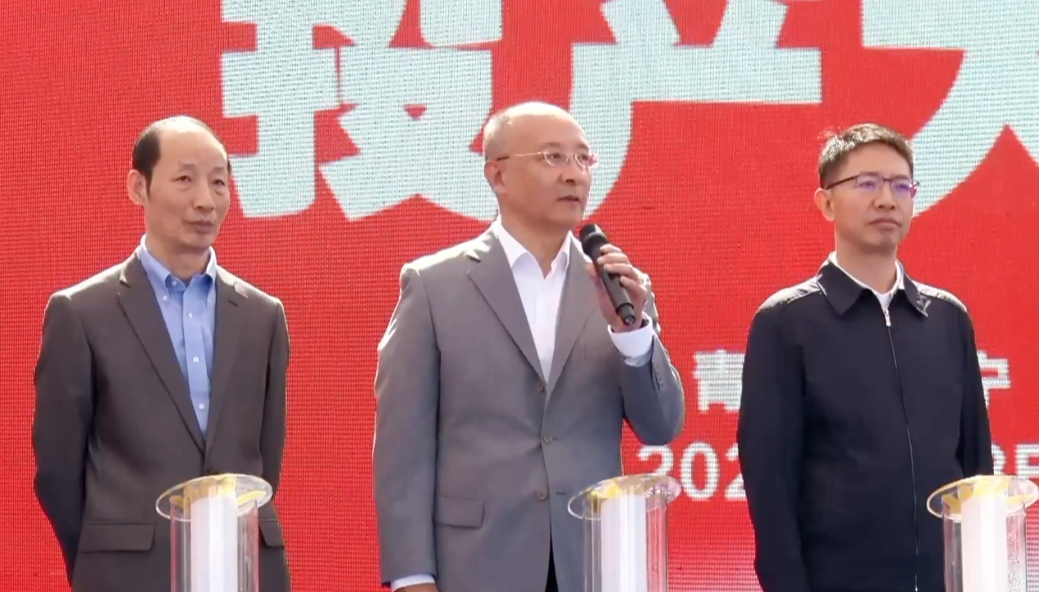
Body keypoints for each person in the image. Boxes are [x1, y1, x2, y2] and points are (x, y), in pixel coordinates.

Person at [371, 101, 686, 592]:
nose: (574, 174)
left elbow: (660, 426)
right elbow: (402, 450)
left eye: (583, 159)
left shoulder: (619, 288)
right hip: (477, 564)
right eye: (552, 157)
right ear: (497, 175)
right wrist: (412, 576)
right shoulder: (433, 286)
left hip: (591, 563)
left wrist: (633, 335)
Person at [32, 116, 291, 592]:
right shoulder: (82, 313)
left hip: (243, 571)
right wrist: (102, 553)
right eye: (185, 179)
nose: (205, 200)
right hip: (126, 574)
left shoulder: (263, 315)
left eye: (219, 182)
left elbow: (265, 460)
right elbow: (57, 470)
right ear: (139, 187)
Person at [737, 123, 994, 592]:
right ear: (826, 202)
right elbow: (770, 489)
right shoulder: (786, 322)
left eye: (901, 186)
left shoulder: (947, 319)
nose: (886, 200)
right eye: (867, 184)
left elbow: (976, 469)